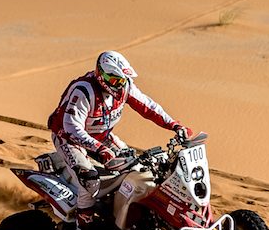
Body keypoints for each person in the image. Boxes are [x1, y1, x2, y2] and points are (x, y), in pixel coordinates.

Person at [47, 50, 191, 220]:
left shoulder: (125, 87)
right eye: (115, 80)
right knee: (90, 181)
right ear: (101, 75)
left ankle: (118, 209)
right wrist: (98, 148)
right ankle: (83, 222)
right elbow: (71, 127)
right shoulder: (84, 91)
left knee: (138, 169)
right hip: (69, 140)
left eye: (122, 80)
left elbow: (148, 107)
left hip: (102, 136)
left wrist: (174, 125)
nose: (119, 85)